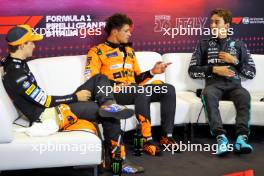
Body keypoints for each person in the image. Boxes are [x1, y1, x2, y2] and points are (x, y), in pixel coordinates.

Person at [1, 24, 144, 174]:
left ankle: (109, 103)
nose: (34, 46)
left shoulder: (12, 61)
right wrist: (75, 97)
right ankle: (118, 161)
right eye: (32, 42)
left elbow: (5, 62)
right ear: (23, 45)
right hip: (46, 114)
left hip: (50, 108)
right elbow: (45, 102)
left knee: (99, 78)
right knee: (106, 113)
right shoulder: (16, 74)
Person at [85, 13, 177, 156]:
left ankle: (167, 136)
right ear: (115, 31)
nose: (129, 34)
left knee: (168, 89)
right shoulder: (96, 51)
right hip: (114, 93)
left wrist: (152, 72)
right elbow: (93, 80)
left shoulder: (129, 51)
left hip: (134, 89)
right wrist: (116, 85)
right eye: (126, 31)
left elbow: (137, 78)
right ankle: (146, 139)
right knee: (141, 91)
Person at [188, 9, 256, 156]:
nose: (212, 25)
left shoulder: (239, 45)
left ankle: (241, 139)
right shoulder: (203, 44)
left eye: (216, 22)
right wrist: (214, 69)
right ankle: (221, 138)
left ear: (226, 25)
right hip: (213, 86)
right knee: (207, 94)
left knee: (245, 96)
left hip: (235, 86)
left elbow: (251, 73)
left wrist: (235, 61)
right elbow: (192, 71)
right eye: (211, 22)